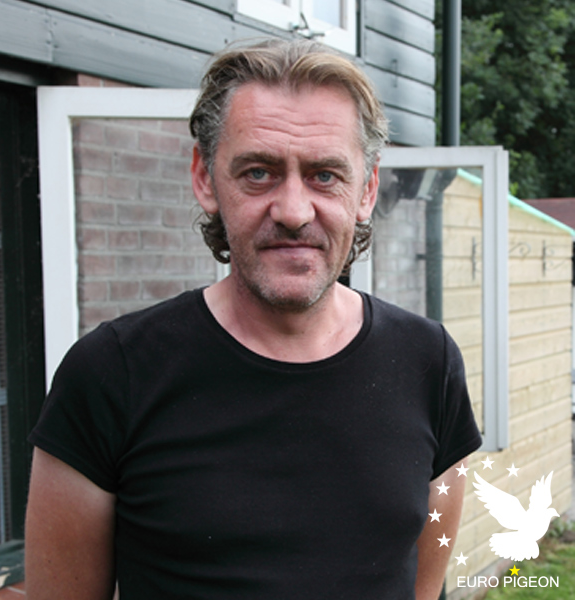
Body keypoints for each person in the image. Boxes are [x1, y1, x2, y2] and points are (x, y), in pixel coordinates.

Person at [25, 38, 482, 600]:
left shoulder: (428, 362)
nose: (293, 211)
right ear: (205, 178)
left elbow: (422, 587)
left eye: (325, 175)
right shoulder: (110, 374)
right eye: (259, 172)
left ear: (366, 189)